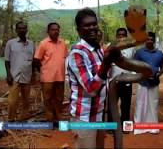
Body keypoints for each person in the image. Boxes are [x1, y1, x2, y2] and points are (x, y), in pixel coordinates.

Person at [67, 8, 121, 148]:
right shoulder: (77, 53)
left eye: (94, 24)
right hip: (84, 118)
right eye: (87, 25)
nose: (92, 28)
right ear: (79, 30)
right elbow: (91, 89)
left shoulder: (98, 50)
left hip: (99, 113)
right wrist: (106, 63)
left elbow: (107, 78)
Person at [34, 22, 68, 123]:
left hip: (60, 76)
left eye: (57, 29)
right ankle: (50, 118)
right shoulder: (43, 43)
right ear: (48, 31)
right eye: (53, 29)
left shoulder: (63, 44)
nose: (55, 31)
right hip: (47, 77)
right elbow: (36, 59)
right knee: (48, 98)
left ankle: (58, 116)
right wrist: (43, 71)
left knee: (59, 98)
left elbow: (64, 58)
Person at [133, 32, 163, 135]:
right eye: (147, 39)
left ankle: (153, 127)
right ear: (145, 40)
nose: (149, 41)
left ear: (154, 40)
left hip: (154, 83)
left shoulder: (159, 53)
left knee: (153, 104)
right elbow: (134, 66)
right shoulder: (139, 52)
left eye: (151, 39)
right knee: (141, 104)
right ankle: (139, 127)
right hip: (143, 82)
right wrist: (141, 74)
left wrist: (159, 74)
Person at [5, 21, 35, 121]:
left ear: (27, 30)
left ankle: (24, 118)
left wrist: (34, 75)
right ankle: (11, 119)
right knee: (12, 101)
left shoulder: (31, 43)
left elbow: (33, 60)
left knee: (26, 100)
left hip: (27, 75)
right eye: (20, 28)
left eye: (24, 28)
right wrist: (8, 74)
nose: (22, 30)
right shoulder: (10, 43)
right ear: (16, 30)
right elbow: (7, 60)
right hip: (14, 76)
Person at [109, 28, 135, 128]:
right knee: (112, 106)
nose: (121, 37)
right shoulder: (111, 48)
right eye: (119, 35)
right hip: (114, 82)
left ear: (126, 36)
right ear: (116, 36)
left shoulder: (131, 48)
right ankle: (111, 127)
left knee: (126, 105)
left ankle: (126, 126)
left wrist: (132, 76)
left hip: (127, 81)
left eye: (123, 35)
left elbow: (133, 64)